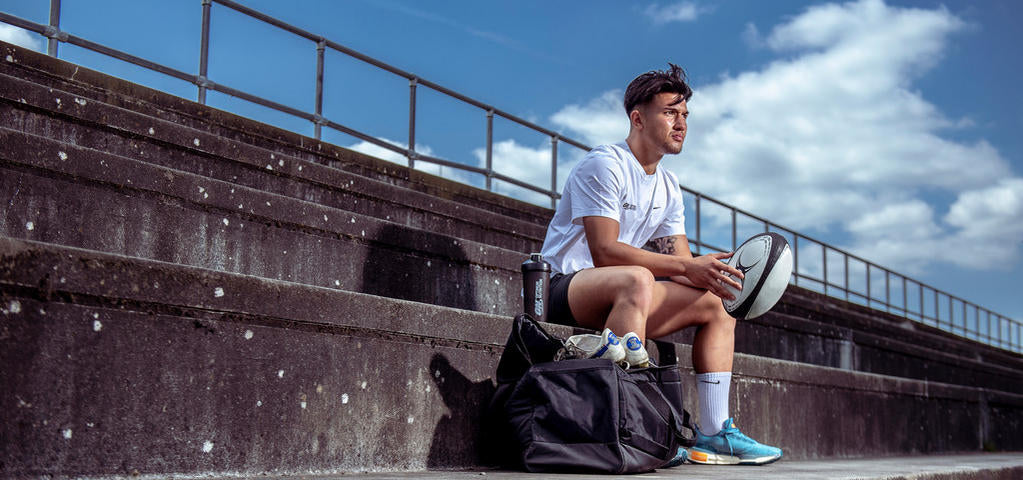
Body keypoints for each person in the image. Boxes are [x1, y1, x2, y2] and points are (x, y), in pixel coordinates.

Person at [539, 63, 782, 466]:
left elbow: (680, 261)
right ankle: (632, 429)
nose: (681, 123)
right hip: (565, 286)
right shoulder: (605, 164)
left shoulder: (668, 185)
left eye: (685, 114)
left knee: (718, 302)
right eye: (670, 112)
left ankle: (715, 432)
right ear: (638, 119)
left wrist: (716, 275)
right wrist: (688, 268)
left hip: (626, 294)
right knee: (637, 278)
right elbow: (605, 252)